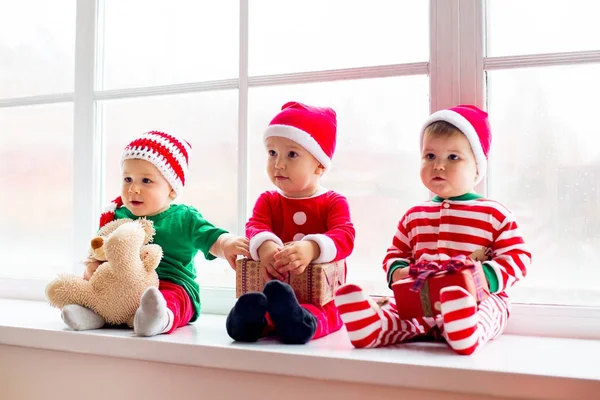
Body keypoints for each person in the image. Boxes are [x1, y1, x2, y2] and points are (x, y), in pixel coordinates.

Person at [334, 105, 531, 355]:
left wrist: (485, 278)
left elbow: (519, 257)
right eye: (430, 156)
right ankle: (374, 326)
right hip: (420, 297)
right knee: (400, 311)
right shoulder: (414, 215)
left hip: (477, 298)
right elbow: (395, 254)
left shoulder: (494, 214)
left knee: (490, 310)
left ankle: (466, 330)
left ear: (477, 168)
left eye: (453, 157)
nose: (438, 166)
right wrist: (398, 272)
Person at [61, 131, 250, 336]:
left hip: (170, 283)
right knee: (104, 291)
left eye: (146, 181)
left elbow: (211, 237)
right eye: (128, 179)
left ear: (171, 189)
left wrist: (228, 243)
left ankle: (159, 318)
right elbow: (99, 249)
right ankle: (92, 314)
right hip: (124, 285)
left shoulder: (184, 218)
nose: (134, 188)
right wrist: (93, 267)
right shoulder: (116, 215)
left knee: (172, 298)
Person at [226, 101, 355, 344]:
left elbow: (345, 235)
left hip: (318, 298)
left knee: (326, 311)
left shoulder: (333, 202)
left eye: (291, 154)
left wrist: (312, 247)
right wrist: (265, 245)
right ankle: (247, 321)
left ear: (319, 165)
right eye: (272, 153)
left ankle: (300, 322)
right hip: (272, 288)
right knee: (262, 304)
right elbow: (255, 226)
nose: (278, 164)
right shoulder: (268, 200)